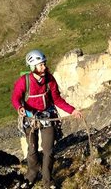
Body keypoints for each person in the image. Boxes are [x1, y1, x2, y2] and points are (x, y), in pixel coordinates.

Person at [11, 49, 83, 187]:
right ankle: (31, 176)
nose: (44, 67)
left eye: (44, 64)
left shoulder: (49, 79)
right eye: (40, 65)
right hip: (30, 119)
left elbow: (57, 99)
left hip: (47, 116)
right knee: (32, 151)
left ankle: (47, 181)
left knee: (48, 151)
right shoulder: (24, 81)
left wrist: (72, 110)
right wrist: (19, 107)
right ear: (32, 67)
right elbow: (16, 97)